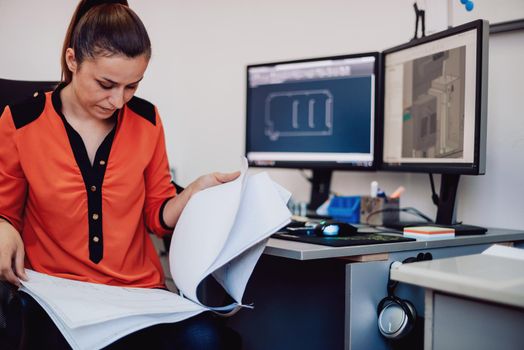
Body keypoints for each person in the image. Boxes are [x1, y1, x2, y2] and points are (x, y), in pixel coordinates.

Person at [0, 1, 240, 348]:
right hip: (57, 294)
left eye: (132, 87)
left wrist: (195, 191)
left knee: (206, 338)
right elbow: (6, 210)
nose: (118, 101)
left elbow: (158, 215)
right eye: (106, 84)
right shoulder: (21, 121)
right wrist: (2, 226)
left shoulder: (147, 120)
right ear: (72, 61)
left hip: (139, 295)